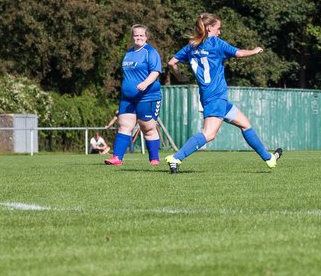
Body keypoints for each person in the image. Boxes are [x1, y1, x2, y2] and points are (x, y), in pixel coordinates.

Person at [164, 12, 282, 174]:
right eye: (218, 28)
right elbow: (239, 53)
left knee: (245, 124)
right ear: (209, 28)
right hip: (216, 96)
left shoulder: (192, 46)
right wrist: (255, 50)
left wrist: (179, 76)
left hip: (211, 96)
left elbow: (172, 62)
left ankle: (269, 158)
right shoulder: (216, 43)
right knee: (209, 134)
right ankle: (176, 158)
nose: (220, 32)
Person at [106, 25, 164, 166]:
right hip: (128, 98)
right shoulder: (128, 53)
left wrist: (145, 83)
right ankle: (117, 158)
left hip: (147, 96)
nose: (138, 38)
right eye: (136, 35)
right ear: (132, 37)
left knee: (147, 128)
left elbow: (155, 71)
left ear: (146, 36)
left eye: (141, 36)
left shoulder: (150, 52)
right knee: (124, 125)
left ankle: (154, 159)